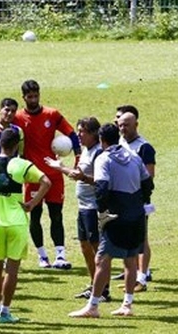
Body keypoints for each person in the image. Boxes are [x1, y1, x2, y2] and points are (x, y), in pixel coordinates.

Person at [69, 123, 152, 319]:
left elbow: (102, 187)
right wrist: (139, 203)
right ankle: (127, 304)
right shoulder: (133, 156)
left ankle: (93, 306)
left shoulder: (103, 159)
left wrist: (103, 211)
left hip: (117, 215)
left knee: (101, 259)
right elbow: (148, 183)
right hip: (136, 214)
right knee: (130, 260)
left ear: (101, 140)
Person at [0, 128, 50, 324]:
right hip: (17, 223)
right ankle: (5, 311)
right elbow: (46, 181)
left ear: (0, 144)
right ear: (16, 145)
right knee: (12, 269)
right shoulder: (23, 165)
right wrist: (31, 204)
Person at [13, 80, 80, 269]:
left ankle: (60, 255)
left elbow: (72, 134)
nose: (33, 99)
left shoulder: (52, 114)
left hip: (54, 174)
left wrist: (77, 155)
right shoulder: (17, 118)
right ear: (23, 97)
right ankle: (42, 256)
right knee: (34, 215)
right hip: (32, 176)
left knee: (56, 215)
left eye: (36, 96)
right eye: (29, 97)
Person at [46, 117, 111, 301]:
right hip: (83, 207)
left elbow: (97, 181)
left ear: (93, 134)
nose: (78, 135)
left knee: (97, 248)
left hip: (94, 207)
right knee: (85, 246)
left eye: (82, 132)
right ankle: (94, 284)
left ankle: (103, 290)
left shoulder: (99, 153)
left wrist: (61, 168)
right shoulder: (86, 150)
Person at [116, 105, 156, 291]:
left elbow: (149, 175)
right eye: (121, 125)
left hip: (137, 199)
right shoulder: (120, 142)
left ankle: (142, 278)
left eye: (127, 125)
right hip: (122, 199)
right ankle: (131, 276)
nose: (123, 129)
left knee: (141, 239)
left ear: (136, 125)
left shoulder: (144, 147)